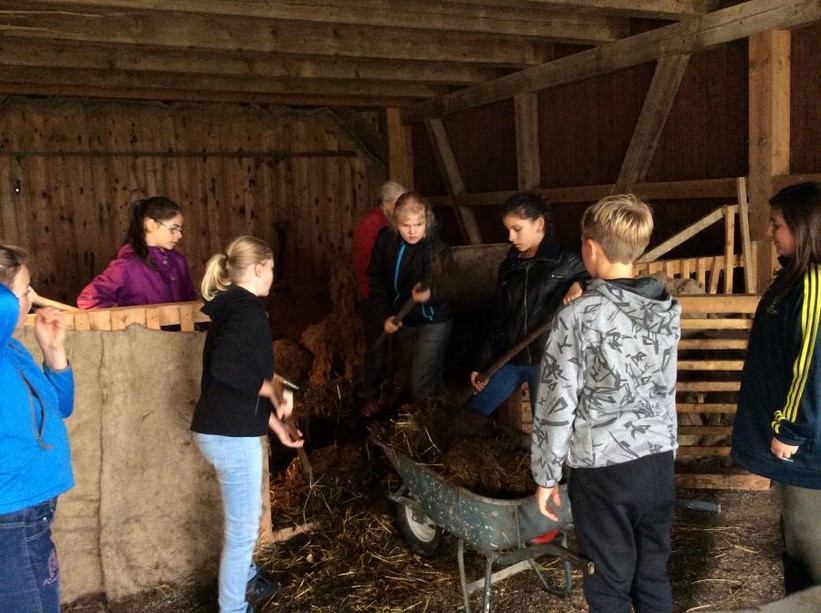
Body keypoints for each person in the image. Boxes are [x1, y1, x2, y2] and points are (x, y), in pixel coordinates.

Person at [531, 194, 681, 613]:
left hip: (605, 470)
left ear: (591, 247)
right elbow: (665, 386)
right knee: (651, 574)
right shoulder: (666, 310)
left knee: (609, 581)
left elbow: (555, 403)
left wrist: (546, 475)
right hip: (658, 463)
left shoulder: (578, 317)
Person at [190, 236, 304, 613]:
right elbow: (225, 368)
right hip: (229, 433)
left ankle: (247, 576)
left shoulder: (237, 307)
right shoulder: (247, 311)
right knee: (242, 531)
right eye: (271, 268)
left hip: (226, 424)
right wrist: (273, 388)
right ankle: (233, 607)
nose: (273, 275)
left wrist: (276, 425)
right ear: (259, 268)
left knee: (247, 517)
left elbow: (243, 377)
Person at [731, 181, 821, 595]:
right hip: (795, 450)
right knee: (794, 541)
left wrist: (790, 429)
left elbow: (812, 366)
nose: (769, 233)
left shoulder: (814, 287)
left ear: (805, 229)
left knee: (809, 544)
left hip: (807, 452)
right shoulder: (793, 278)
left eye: (777, 224)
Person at [0, 244, 75, 613]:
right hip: (9, 516)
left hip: (31, 514)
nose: (31, 298)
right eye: (23, 291)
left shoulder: (12, 351)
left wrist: (53, 353)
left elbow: (60, 408)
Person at [467, 191, 587, 416]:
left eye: (517, 229)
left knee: (544, 424)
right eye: (508, 230)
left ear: (539, 224)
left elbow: (600, 280)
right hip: (511, 357)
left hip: (548, 361)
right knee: (474, 411)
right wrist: (482, 364)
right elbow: (498, 319)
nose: (511, 237)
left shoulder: (566, 259)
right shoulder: (509, 267)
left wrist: (582, 284)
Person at [367, 191, 452, 400]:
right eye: (406, 225)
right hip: (404, 321)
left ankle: (426, 430)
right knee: (423, 377)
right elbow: (377, 279)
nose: (413, 231)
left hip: (433, 321)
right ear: (396, 223)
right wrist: (385, 315)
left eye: (419, 224)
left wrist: (430, 293)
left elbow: (448, 283)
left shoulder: (436, 249)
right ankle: (442, 419)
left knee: (420, 384)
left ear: (427, 221)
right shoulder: (386, 242)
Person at [77, 196, 196, 308]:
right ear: (151, 225)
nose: (179, 235)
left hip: (184, 330)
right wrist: (126, 321)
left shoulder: (178, 261)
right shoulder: (127, 264)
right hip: (142, 330)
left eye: (180, 229)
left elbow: (190, 299)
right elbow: (89, 299)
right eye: (173, 229)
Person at [352, 180, 407, 402]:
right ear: (387, 203)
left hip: (393, 294)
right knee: (378, 344)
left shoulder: (391, 223)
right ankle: (370, 394)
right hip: (374, 296)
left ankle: (389, 391)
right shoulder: (370, 226)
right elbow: (367, 265)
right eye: (399, 203)